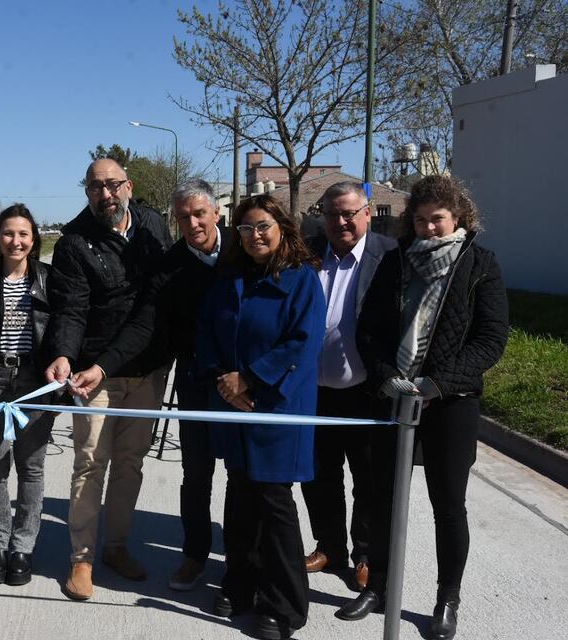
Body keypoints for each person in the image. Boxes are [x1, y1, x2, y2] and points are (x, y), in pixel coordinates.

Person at [336, 176, 509, 640]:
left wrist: (439, 383)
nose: (429, 228)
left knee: (448, 505)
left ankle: (446, 599)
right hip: (393, 396)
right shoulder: (396, 263)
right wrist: (385, 376)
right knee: (382, 498)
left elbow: (491, 340)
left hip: (450, 402)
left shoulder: (480, 266)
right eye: (420, 220)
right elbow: (367, 329)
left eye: (438, 219)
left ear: (459, 219)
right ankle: (381, 587)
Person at [194, 194, 325, 640]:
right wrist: (224, 382)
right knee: (240, 495)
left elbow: (302, 344)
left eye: (264, 226)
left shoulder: (303, 280)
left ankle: (284, 604)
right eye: (246, 229)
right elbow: (207, 332)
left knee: (273, 502)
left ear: (283, 227)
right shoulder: (227, 278)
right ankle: (240, 583)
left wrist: (249, 379)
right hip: (232, 404)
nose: (255, 236)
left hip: (277, 405)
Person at [45, 158, 172, 601]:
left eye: (113, 185)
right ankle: (81, 559)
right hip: (95, 372)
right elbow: (71, 308)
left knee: (130, 464)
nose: (106, 195)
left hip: (148, 370)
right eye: (96, 188)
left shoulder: (155, 224)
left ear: (129, 186)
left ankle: (116, 546)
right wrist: (63, 353)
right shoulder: (74, 243)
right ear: (87, 193)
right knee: (90, 463)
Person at [300, 182, 396, 590]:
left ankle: (364, 553)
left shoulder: (390, 256)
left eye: (349, 214)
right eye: (331, 213)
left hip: (366, 391)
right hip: (314, 389)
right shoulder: (307, 254)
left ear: (368, 213)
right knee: (319, 474)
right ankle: (329, 545)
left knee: (368, 478)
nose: (340, 221)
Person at [149, 179, 230, 603]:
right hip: (196, 381)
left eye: (200, 213)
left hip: (241, 384)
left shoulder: (244, 248)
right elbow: (156, 327)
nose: (194, 223)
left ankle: (239, 562)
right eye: (184, 217)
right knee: (196, 474)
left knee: (243, 475)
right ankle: (195, 554)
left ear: (216, 213)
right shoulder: (172, 265)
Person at [0, 203, 55, 587]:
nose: (15, 241)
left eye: (22, 234)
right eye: (7, 233)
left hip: (35, 382)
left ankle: (23, 547)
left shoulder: (51, 280)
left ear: (33, 239)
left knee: (31, 469)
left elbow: (67, 326)